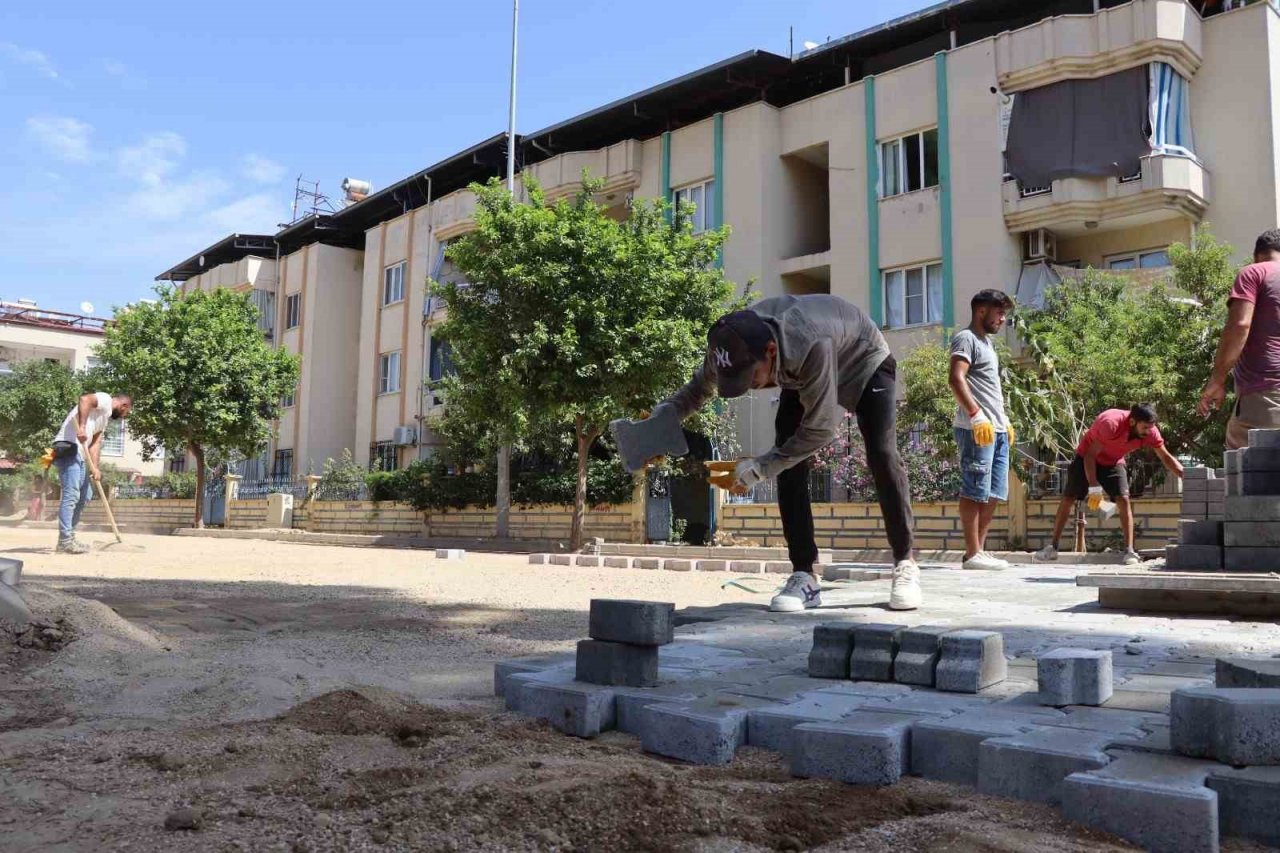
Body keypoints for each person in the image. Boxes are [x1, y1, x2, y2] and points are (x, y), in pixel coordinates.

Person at [651, 294, 921, 612]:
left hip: (863, 361)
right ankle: (804, 575)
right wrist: (662, 419)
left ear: (771, 351)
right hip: (799, 372)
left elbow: (820, 430)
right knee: (790, 464)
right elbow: (697, 391)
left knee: (881, 452)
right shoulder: (730, 345)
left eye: (751, 377)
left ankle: (906, 562)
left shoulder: (810, 343)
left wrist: (761, 467)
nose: (749, 387)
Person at [1033, 404, 1183, 565]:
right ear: (1132, 422)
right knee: (1069, 498)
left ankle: (1130, 551)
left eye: (1150, 428)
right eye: (1145, 427)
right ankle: (1052, 547)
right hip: (1086, 458)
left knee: (1123, 499)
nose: (1148, 431)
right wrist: (1094, 487)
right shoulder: (1110, 423)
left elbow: (1166, 457)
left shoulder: (1150, 432)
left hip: (1113, 462)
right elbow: (1090, 456)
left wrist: (1186, 476)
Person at [949, 290, 1015, 572]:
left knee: (995, 492)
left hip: (996, 428)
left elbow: (989, 388)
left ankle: (978, 552)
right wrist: (976, 416)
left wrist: (1004, 420)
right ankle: (972, 551)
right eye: (999, 313)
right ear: (981, 312)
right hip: (977, 428)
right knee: (975, 487)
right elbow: (955, 378)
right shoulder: (967, 338)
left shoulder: (988, 344)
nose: (1002, 319)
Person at [1198, 229, 1280, 446]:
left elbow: (1240, 324)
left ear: (1256, 255)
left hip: (1267, 392)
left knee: (1249, 466)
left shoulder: (1254, 272)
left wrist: (1217, 380)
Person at [50, 391, 132, 554]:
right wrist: (81, 427)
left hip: (80, 453)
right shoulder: (105, 399)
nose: (123, 417)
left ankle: (70, 538)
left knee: (85, 494)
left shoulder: (104, 419)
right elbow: (85, 399)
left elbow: (95, 444)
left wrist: (95, 467)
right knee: (71, 494)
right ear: (123, 406)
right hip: (69, 447)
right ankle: (64, 541)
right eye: (126, 413)